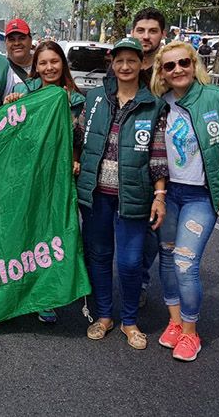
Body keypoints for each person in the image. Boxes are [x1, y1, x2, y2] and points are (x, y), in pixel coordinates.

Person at [151, 41, 219, 362]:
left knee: (185, 262)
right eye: (169, 66)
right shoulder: (160, 105)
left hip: (200, 197)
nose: (177, 69)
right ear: (162, 73)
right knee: (166, 258)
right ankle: (175, 323)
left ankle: (191, 333)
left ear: (194, 64)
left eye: (183, 63)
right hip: (169, 195)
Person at [76, 38, 168, 350]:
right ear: (112, 64)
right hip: (96, 194)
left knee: (130, 262)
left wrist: (159, 194)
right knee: (99, 256)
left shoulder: (153, 104)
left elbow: (157, 155)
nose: (125, 67)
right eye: (119, 61)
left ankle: (130, 321)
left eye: (132, 60)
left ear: (142, 63)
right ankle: (103, 316)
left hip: (134, 196)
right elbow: (78, 135)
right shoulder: (96, 99)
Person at [4, 40, 86, 324]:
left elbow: (79, 139)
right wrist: (10, 106)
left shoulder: (76, 100)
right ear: (35, 67)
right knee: (26, 232)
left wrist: (76, 158)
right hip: (28, 176)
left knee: (54, 236)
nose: (49, 67)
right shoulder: (21, 93)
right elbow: (7, 133)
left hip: (59, 178)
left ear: (62, 63)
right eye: (43, 63)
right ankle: (19, 291)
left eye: (54, 61)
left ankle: (47, 295)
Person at [128, 7, 168, 307]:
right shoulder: (125, 63)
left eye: (152, 31)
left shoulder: (169, 68)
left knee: (154, 234)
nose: (146, 36)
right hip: (130, 162)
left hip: (165, 159)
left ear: (161, 34)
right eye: (140, 30)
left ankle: (140, 280)